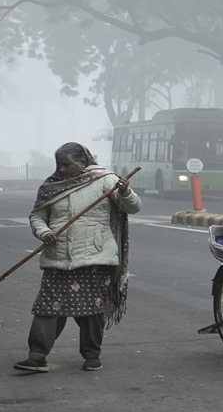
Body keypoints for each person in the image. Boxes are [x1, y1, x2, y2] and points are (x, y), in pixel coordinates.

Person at [13, 142, 141, 373]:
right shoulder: (51, 186)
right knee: (47, 309)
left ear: (83, 163)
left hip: (94, 257)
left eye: (66, 164)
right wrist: (44, 232)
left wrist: (125, 191)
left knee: (91, 311)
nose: (61, 169)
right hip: (57, 257)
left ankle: (92, 356)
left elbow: (133, 207)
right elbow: (37, 215)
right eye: (58, 164)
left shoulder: (106, 181)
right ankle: (37, 356)